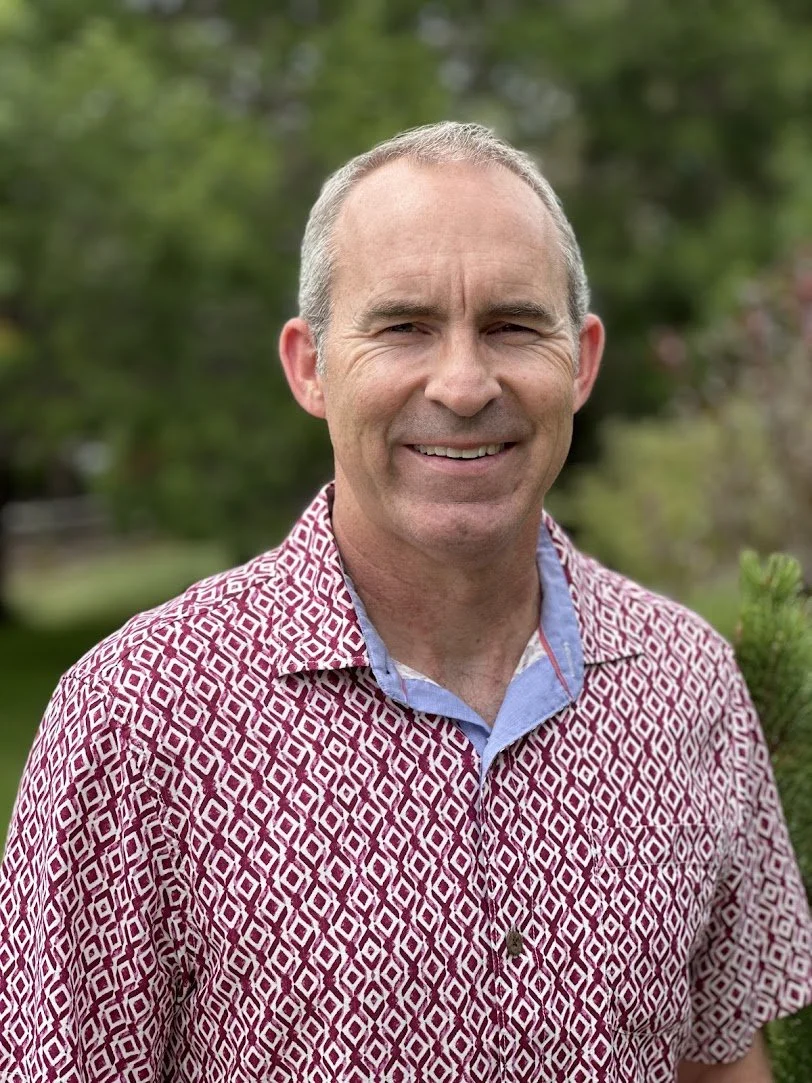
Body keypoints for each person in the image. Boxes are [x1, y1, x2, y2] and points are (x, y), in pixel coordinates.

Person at [1, 122, 810, 1083]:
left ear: (583, 362)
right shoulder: (137, 717)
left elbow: (721, 1065)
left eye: (514, 325)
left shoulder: (689, 683)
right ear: (310, 367)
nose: (465, 384)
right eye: (403, 326)